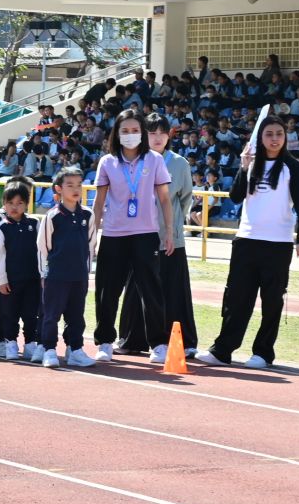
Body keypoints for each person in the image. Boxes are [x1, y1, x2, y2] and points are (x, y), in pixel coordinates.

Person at [200, 115, 299, 369]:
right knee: (236, 298)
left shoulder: (292, 167)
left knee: (272, 301)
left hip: (278, 243)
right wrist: (243, 167)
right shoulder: (250, 163)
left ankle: (263, 352)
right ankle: (222, 350)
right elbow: (235, 196)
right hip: (247, 240)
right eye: (269, 134)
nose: (274, 139)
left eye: (279, 134)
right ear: (260, 138)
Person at [90, 107, 173, 360]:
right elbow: (98, 202)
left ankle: (158, 344)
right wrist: (92, 236)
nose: (130, 135)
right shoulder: (107, 162)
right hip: (114, 234)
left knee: (151, 290)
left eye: (135, 130)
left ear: (142, 133)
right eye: (125, 131)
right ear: (117, 133)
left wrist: (169, 232)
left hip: (146, 234)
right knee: (107, 290)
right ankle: (105, 341)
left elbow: (165, 199)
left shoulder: (154, 160)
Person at [118, 112, 196, 362]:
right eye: (152, 133)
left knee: (174, 290)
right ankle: (132, 340)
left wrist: (172, 226)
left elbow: (185, 199)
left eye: (163, 133)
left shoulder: (180, 164)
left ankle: (183, 342)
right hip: (138, 236)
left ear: (169, 135)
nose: (158, 137)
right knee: (136, 290)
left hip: (170, 239)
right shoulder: (133, 161)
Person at [37, 165, 95, 368]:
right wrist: (44, 273)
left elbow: (91, 245)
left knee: (76, 316)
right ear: (59, 189)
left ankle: (75, 349)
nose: (75, 189)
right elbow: (43, 248)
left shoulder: (87, 215)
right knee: (51, 315)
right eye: (69, 185)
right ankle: (49, 350)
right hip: (56, 275)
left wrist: (86, 272)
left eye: (79, 184)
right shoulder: (52, 216)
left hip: (79, 275)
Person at [0, 179, 42, 362]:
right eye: (10, 203)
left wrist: (42, 274)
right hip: (11, 281)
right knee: (9, 314)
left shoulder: (34, 223)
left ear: (27, 204)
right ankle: (11, 343)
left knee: (31, 313)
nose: (15, 207)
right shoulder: (2, 227)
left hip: (33, 279)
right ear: (3, 203)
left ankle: (30, 344)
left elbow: (41, 251)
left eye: (20, 203)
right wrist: (1, 280)